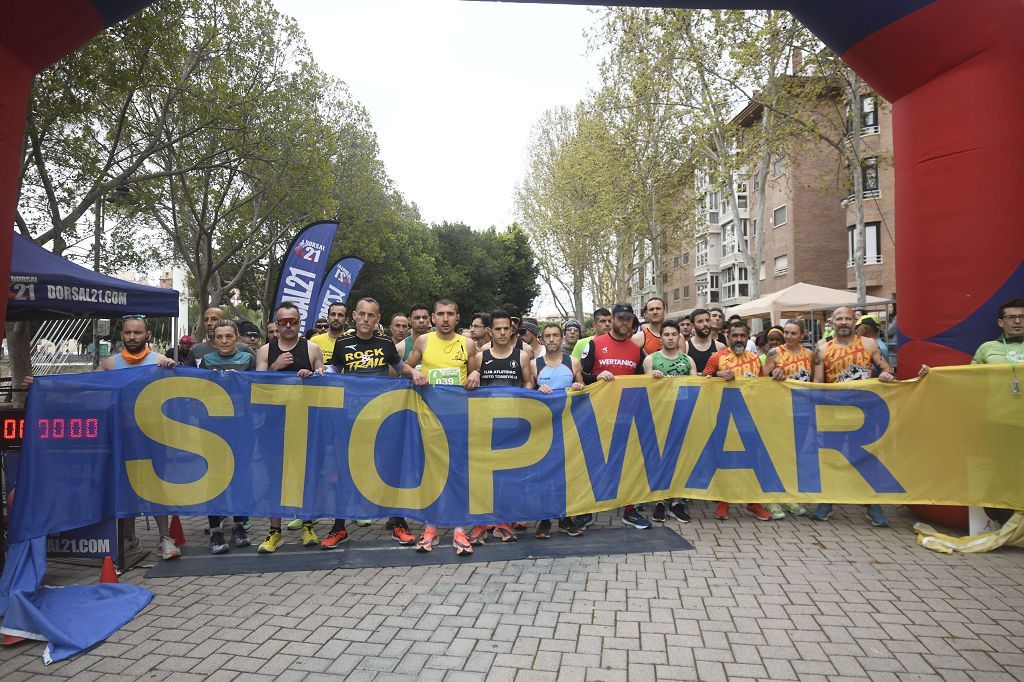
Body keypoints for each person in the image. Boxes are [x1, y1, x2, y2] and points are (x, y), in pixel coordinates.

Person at [320, 297, 425, 549]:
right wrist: (319, 373)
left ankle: (398, 522)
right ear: (354, 316)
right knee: (346, 472)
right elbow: (333, 372)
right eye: (362, 314)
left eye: (371, 315)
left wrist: (416, 372)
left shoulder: (385, 343)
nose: (366, 319)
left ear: (378, 319)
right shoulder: (342, 344)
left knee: (389, 471)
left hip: (382, 419)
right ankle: (339, 527)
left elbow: (399, 367)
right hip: (351, 420)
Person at [919, 298, 1023, 526]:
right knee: (1002, 473)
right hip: (1000, 421)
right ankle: (1006, 524)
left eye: (1022, 317)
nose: (1017, 321)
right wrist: (934, 374)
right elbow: (968, 379)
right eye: (1011, 317)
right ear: (1000, 322)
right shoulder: (988, 349)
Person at [404, 299, 481, 555]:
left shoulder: (468, 343)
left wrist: (476, 375)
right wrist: (413, 372)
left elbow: (474, 374)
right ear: (433, 318)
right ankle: (431, 527)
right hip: (429, 418)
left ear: (458, 318)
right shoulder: (423, 342)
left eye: (450, 314)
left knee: (457, 472)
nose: (445, 318)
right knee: (432, 472)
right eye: (441, 314)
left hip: (458, 418)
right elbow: (404, 365)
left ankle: (459, 528)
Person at [99, 316, 180, 559]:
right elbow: (85, 386)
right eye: (128, 332)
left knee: (156, 487)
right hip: (121, 435)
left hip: (153, 436)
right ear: (121, 335)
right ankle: (129, 540)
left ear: (147, 335)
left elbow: (177, 391)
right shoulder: (109, 364)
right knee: (124, 486)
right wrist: (41, 384)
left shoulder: (159, 361)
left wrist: (171, 369)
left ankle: (165, 538)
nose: (132, 337)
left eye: (137, 332)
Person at [811, 306, 896, 526]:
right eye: (839, 318)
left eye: (848, 318)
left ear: (854, 322)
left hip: (864, 413)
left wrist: (887, 374)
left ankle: (873, 506)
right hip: (834, 413)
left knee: (867, 460)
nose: (843, 322)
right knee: (831, 460)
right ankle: (827, 502)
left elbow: (887, 369)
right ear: (832, 323)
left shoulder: (869, 344)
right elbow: (818, 383)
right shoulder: (821, 348)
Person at [255, 301, 325, 554]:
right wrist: (275, 368)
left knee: (305, 475)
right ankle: (275, 531)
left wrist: (314, 376)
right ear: (275, 323)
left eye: (292, 321)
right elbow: (257, 387)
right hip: (274, 424)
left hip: (305, 423)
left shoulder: (313, 348)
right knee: (275, 478)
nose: (287, 326)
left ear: (299, 322)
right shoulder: (265, 351)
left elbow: (324, 381)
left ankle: (307, 524)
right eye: (282, 322)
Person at [466, 310, 535, 546]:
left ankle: (503, 520)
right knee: (484, 474)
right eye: (498, 329)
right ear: (490, 331)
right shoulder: (481, 357)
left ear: (512, 329)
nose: (503, 332)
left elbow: (528, 382)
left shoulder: (522, 356)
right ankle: (482, 521)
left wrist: (524, 402)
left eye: (506, 328)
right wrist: (473, 373)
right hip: (486, 425)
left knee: (508, 474)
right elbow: (470, 386)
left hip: (512, 425)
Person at [580, 303, 651, 530]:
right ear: (612, 319)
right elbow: (581, 375)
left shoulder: (636, 349)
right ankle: (586, 510)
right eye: (620, 318)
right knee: (592, 464)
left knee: (627, 464)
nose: (624, 323)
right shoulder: (595, 343)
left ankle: (629, 510)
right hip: (597, 414)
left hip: (626, 416)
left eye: (628, 319)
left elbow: (643, 381)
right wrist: (597, 375)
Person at [703, 320, 774, 522]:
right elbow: (701, 380)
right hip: (724, 417)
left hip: (749, 418)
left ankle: (753, 502)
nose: (739, 339)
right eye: (735, 336)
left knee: (754, 460)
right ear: (728, 336)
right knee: (724, 460)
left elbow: (762, 386)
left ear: (747, 336)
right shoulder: (717, 357)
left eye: (742, 335)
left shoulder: (755, 359)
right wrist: (717, 374)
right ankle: (724, 501)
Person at [196, 320, 254, 552]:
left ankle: (239, 527)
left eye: (229, 336)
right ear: (213, 339)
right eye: (219, 337)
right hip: (213, 426)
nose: (224, 341)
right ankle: (215, 532)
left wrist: (240, 382)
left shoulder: (247, 359)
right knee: (215, 478)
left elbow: (258, 387)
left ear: (236, 337)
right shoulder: (206, 361)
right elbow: (195, 388)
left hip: (241, 425)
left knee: (241, 476)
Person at [531, 322, 587, 539]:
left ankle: (565, 519)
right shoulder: (534, 364)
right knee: (544, 474)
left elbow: (581, 386)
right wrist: (537, 390)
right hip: (543, 427)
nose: (552, 339)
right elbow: (527, 390)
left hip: (568, 425)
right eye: (548, 336)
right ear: (542, 340)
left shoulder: (572, 362)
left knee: (566, 473)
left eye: (555, 335)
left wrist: (578, 386)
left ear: (562, 338)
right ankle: (544, 519)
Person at [642, 319, 695, 524]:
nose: (671, 338)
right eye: (667, 335)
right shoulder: (651, 361)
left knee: (679, 458)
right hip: (659, 416)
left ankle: (675, 502)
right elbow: (646, 390)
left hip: (681, 416)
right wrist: (653, 378)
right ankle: (659, 501)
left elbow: (694, 388)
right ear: (661, 337)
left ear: (679, 336)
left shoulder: (688, 361)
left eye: (674, 334)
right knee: (659, 459)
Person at [762, 320, 815, 519]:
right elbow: (762, 377)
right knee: (776, 453)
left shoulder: (810, 354)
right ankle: (771, 497)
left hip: (802, 411)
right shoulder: (774, 353)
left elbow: (815, 381)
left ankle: (789, 496)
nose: (789, 336)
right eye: (786, 332)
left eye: (794, 333)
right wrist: (773, 373)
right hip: (778, 410)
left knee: (795, 455)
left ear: (802, 334)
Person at [185, 307, 255, 365]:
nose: (209, 323)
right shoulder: (196, 350)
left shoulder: (245, 350)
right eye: (206, 320)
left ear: (225, 321)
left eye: (214, 319)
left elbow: (257, 376)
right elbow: (187, 377)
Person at [686, 308, 726, 375]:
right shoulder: (686, 346)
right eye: (700, 321)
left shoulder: (720, 347)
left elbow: (725, 371)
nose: (705, 324)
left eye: (707, 320)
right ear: (693, 325)